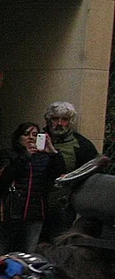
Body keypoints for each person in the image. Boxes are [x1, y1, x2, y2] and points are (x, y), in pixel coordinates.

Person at [0, 121, 66, 253]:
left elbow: (59, 174)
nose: (31, 138)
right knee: (3, 251)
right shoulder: (9, 154)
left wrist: (52, 151)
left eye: (35, 135)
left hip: (35, 212)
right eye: (26, 134)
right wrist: (26, 156)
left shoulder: (44, 158)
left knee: (29, 252)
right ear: (18, 137)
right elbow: (5, 178)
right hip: (11, 212)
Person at [42, 100, 100, 240]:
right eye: (56, 119)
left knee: (58, 243)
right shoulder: (36, 137)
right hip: (35, 203)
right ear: (49, 120)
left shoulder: (81, 145)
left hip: (62, 205)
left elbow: (92, 174)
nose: (59, 123)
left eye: (64, 119)